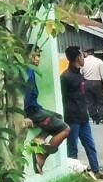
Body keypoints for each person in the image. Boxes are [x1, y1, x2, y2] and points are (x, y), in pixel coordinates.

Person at [60, 46, 103, 180]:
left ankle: (96, 170)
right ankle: (73, 175)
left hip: (83, 116)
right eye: (81, 56)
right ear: (77, 58)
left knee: (90, 145)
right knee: (72, 147)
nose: (83, 58)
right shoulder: (65, 77)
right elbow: (63, 98)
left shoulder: (80, 74)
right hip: (72, 118)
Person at [23, 45, 69, 174]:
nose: (37, 58)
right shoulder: (26, 72)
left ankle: (39, 140)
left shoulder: (31, 70)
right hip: (31, 111)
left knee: (58, 117)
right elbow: (22, 96)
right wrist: (24, 115)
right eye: (34, 55)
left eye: (38, 55)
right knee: (65, 129)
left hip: (35, 108)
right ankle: (41, 155)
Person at [81, 47, 103, 124]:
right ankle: (102, 117)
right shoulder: (99, 61)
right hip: (97, 83)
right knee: (101, 100)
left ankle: (94, 117)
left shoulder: (83, 62)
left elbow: (81, 73)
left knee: (89, 101)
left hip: (87, 83)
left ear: (86, 53)